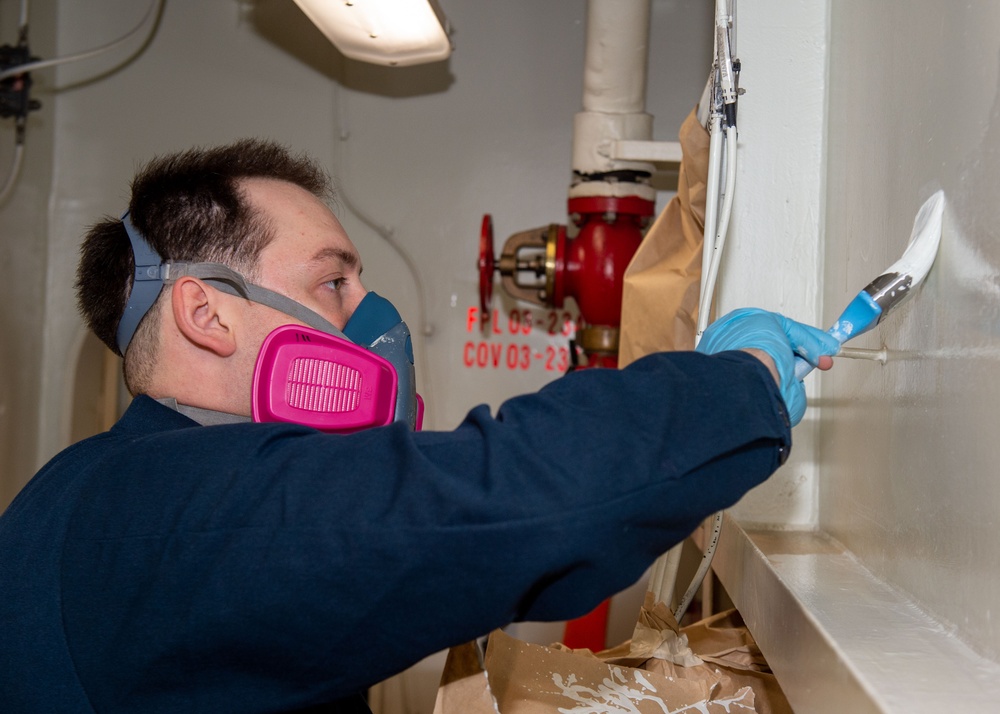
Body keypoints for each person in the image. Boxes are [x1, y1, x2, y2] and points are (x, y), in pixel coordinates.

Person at [0, 138, 838, 713]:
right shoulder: (172, 507)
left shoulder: (81, 492)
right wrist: (745, 383)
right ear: (207, 314)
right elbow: (513, 499)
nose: (374, 322)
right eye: (334, 285)